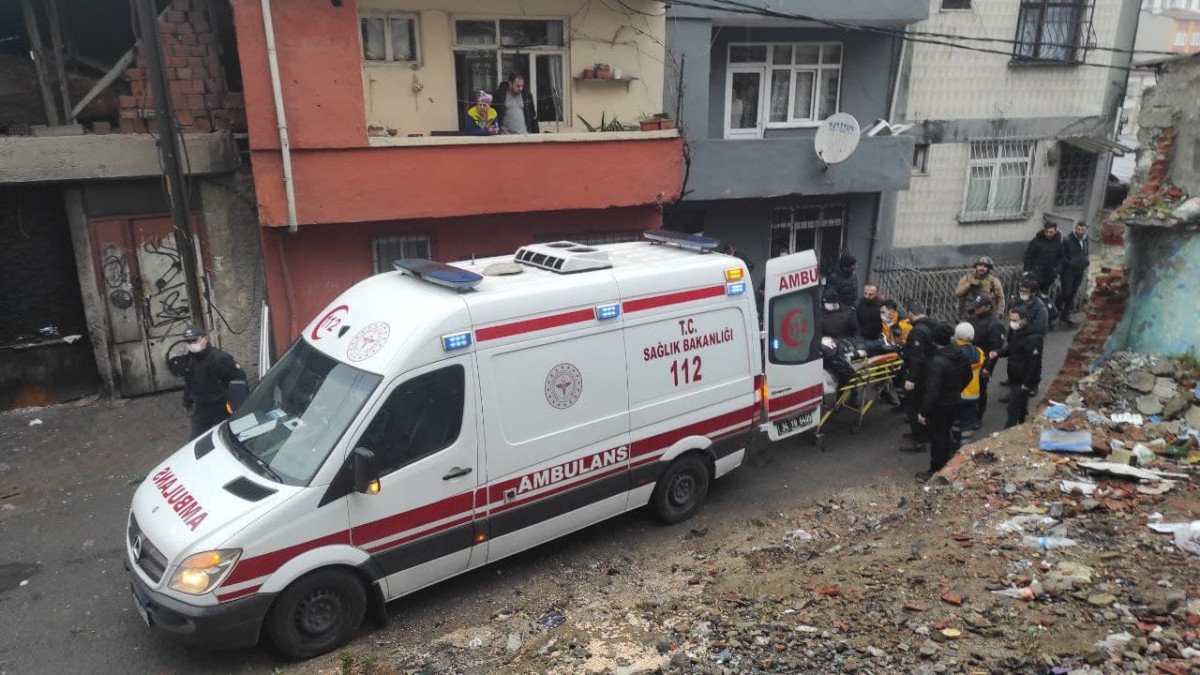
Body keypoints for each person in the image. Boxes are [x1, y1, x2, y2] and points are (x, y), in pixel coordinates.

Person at [915, 324, 972, 482]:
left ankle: (936, 469)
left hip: (939, 406)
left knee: (937, 437)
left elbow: (932, 391)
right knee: (946, 433)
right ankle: (947, 462)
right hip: (954, 400)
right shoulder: (959, 353)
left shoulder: (937, 361)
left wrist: (923, 412)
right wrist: (956, 389)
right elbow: (968, 375)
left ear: (935, 341)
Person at [180, 325, 246, 439]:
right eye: (189, 342)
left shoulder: (220, 359)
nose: (192, 344)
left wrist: (238, 405)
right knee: (195, 441)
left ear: (205, 338)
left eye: (195, 340)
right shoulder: (189, 359)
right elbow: (189, 382)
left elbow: (239, 379)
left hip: (222, 407)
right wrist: (187, 401)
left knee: (233, 438)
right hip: (201, 408)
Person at [900, 301, 939, 452]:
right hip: (932, 371)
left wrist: (911, 378)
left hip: (921, 374)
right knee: (925, 404)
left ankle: (919, 440)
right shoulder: (934, 324)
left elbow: (917, 357)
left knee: (913, 406)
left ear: (910, 313)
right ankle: (925, 433)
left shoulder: (917, 331)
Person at [1000, 307, 1044, 428]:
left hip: (1022, 378)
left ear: (1024, 320)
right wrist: (997, 353)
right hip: (1015, 375)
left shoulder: (1033, 338)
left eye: (1015, 320)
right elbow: (1011, 348)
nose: (1012, 323)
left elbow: (1034, 363)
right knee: (1022, 405)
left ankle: (1007, 432)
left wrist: (1027, 383)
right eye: (1011, 320)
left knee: (1012, 408)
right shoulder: (1017, 332)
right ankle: (1023, 424)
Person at [969, 296, 1005, 422]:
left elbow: (995, 349)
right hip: (970, 360)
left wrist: (988, 368)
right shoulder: (973, 318)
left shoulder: (995, 324)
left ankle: (978, 415)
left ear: (988, 307)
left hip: (982, 363)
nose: (976, 308)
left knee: (980, 389)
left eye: (979, 306)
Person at [953, 322, 985, 440]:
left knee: (955, 420)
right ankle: (965, 445)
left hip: (956, 393)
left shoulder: (953, 351)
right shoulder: (979, 352)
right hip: (973, 394)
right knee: (967, 423)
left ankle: (955, 442)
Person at [1058, 220, 1090, 327]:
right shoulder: (1068, 240)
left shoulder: (1086, 239)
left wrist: (1086, 261)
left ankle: (1065, 315)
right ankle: (1056, 306)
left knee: (1072, 293)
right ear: (1075, 229)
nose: (1080, 231)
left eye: (1082, 230)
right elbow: (1061, 256)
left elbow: (1085, 253)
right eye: (1078, 229)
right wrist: (1070, 263)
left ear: (1086, 230)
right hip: (1068, 271)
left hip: (1079, 271)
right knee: (1066, 292)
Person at [1023, 220, 1064, 295]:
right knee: (1031, 295)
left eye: (1051, 232)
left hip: (1048, 276)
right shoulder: (1037, 240)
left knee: (1042, 295)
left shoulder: (1058, 242)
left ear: (1055, 231)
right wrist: (1026, 271)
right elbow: (1028, 255)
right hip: (1035, 274)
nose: (1048, 234)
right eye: (1046, 231)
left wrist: (1056, 271)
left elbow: (1060, 258)